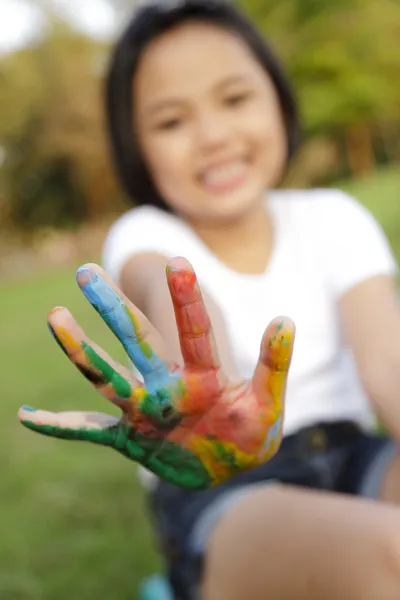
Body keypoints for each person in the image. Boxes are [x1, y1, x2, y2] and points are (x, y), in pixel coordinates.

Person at [18, 1, 400, 599]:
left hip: (357, 455)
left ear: (278, 96)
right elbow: (171, 297)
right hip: (225, 485)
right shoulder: (145, 233)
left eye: (235, 98)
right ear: (135, 145)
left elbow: (388, 363)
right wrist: (203, 383)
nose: (214, 136)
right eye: (172, 121)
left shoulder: (336, 218)